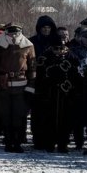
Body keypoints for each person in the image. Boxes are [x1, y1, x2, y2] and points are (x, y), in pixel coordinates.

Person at [0, 23, 36, 153]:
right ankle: (8, 141)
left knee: (18, 115)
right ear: (6, 33)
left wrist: (31, 86)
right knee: (5, 115)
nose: (13, 35)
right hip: (3, 86)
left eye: (16, 33)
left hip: (21, 85)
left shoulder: (28, 46)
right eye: (11, 32)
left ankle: (17, 142)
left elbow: (32, 67)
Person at [40, 27, 78, 153]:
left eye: (61, 48)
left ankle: (63, 143)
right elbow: (40, 72)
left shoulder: (71, 56)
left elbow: (76, 73)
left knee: (65, 119)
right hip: (49, 92)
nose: (59, 51)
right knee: (48, 118)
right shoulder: (46, 55)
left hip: (66, 92)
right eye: (56, 48)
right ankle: (49, 142)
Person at [29, 14, 59, 150]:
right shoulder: (32, 42)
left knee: (52, 113)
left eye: (48, 27)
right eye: (43, 28)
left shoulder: (56, 41)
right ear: (39, 29)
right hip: (38, 80)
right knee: (37, 112)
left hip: (53, 82)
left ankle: (51, 140)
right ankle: (38, 139)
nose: (46, 30)